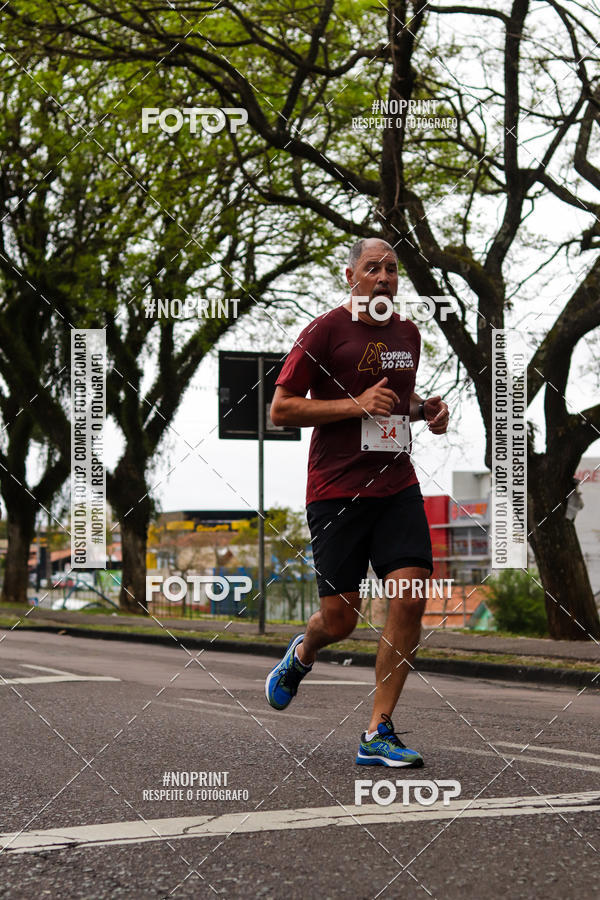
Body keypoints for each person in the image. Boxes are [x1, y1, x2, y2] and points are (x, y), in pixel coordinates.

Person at [264, 237, 449, 767]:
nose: (385, 277)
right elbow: (280, 410)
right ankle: (302, 654)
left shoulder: (408, 334)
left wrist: (425, 412)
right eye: (373, 268)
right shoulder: (324, 331)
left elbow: (397, 400)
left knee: (410, 595)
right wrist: (355, 405)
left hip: (396, 486)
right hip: (336, 492)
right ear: (351, 277)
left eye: (392, 269)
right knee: (339, 620)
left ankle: (378, 731)